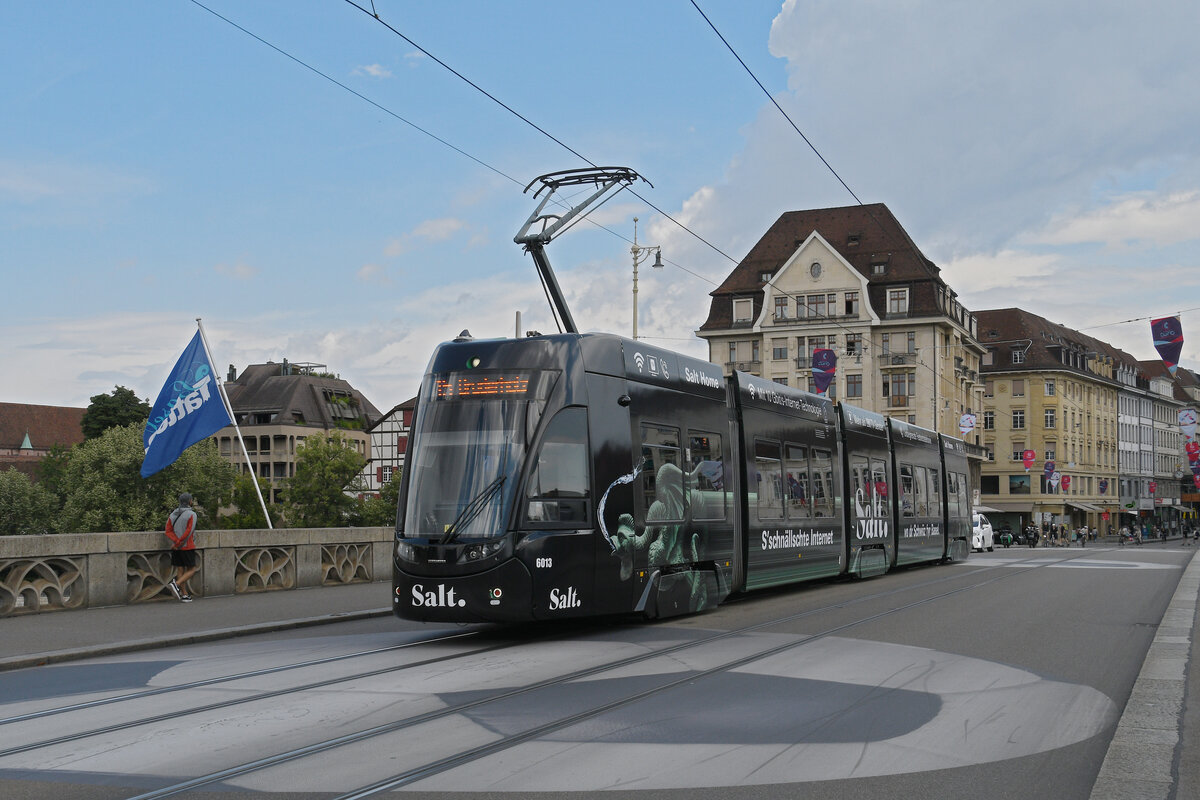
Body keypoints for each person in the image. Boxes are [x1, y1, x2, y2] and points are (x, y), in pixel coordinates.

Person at [165, 493, 199, 602]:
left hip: (176, 547)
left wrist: (175, 542)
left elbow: (168, 531)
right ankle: (176, 584)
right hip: (187, 546)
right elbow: (189, 532)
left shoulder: (173, 514)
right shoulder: (192, 514)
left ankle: (184, 594)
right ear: (189, 501)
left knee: (180, 569)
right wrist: (179, 543)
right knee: (192, 569)